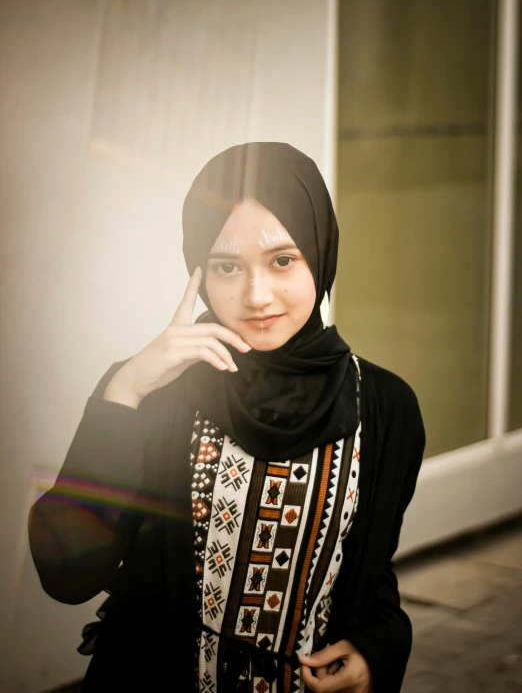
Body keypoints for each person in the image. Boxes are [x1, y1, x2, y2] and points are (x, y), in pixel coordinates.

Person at [28, 142, 425, 693]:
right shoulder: (155, 389)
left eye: (283, 260)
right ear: (198, 270)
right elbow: (68, 574)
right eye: (226, 266)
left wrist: (375, 653)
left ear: (321, 251)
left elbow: (367, 575)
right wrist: (125, 391)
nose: (256, 295)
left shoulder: (383, 407)